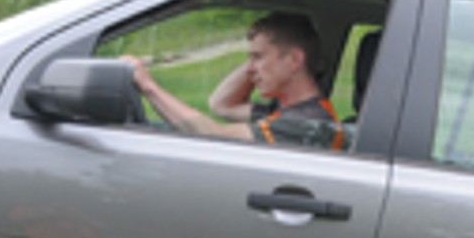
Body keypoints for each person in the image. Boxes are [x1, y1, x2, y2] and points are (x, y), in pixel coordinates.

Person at [122, 12, 346, 150]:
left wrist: (147, 86)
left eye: (258, 57)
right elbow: (222, 105)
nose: (249, 69)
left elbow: (213, 136)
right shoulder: (285, 110)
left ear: (295, 59)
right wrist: (259, 61)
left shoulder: (306, 123)